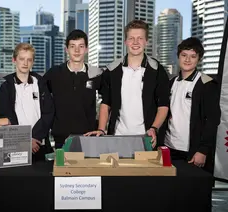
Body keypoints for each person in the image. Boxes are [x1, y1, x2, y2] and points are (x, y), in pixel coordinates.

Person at [85, 19, 170, 148]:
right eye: (131, 38)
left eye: (140, 38)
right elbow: (106, 103)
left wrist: (154, 128)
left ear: (146, 41)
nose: (135, 42)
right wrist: (102, 130)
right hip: (117, 136)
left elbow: (163, 105)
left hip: (146, 138)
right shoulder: (112, 70)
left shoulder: (158, 70)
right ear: (125, 41)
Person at [164, 37, 221, 173]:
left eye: (192, 56)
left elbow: (213, 120)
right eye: (184, 55)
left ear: (198, 59)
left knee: (192, 193)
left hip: (192, 152)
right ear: (178, 56)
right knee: (169, 192)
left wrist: (203, 150)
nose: (187, 60)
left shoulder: (207, 84)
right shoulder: (171, 83)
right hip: (169, 148)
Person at [43, 29, 103, 149]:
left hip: (88, 136)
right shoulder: (54, 73)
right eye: (72, 46)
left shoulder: (95, 74)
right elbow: (40, 98)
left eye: (81, 46)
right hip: (61, 138)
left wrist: (101, 128)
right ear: (67, 49)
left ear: (86, 49)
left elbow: (107, 101)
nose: (76, 50)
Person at [0, 43, 54, 161]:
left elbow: (49, 113)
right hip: (16, 145)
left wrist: (34, 137)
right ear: (14, 60)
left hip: (39, 144)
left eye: (29, 60)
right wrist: (25, 139)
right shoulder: (6, 87)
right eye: (22, 59)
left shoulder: (41, 84)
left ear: (32, 62)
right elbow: (6, 116)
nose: (25, 63)